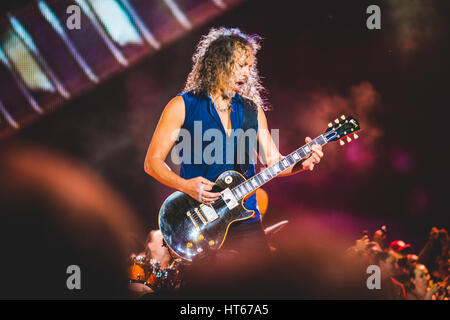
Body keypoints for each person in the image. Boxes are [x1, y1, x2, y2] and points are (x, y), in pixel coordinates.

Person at [144, 27, 323, 265]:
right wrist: (185, 185)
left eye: (249, 66)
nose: (246, 73)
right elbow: (152, 162)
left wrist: (302, 163)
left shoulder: (252, 111)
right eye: (239, 65)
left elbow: (273, 163)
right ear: (218, 63)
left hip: (245, 222)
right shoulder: (182, 106)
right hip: (199, 222)